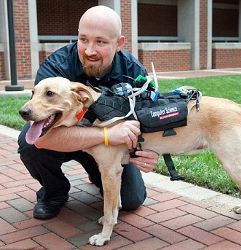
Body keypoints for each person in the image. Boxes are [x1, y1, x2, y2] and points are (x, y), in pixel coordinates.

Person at [18, 5, 171, 220]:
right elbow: (41, 140)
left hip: (109, 150)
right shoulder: (56, 67)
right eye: (83, 39)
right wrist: (106, 135)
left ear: (119, 43)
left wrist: (148, 152)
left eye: (100, 42)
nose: (89, 50)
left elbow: (150, 122)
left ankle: (96, 172)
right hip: (70, 140)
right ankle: (54, 192)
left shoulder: (134, 72)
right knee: (30, 143)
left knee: (131, 200)